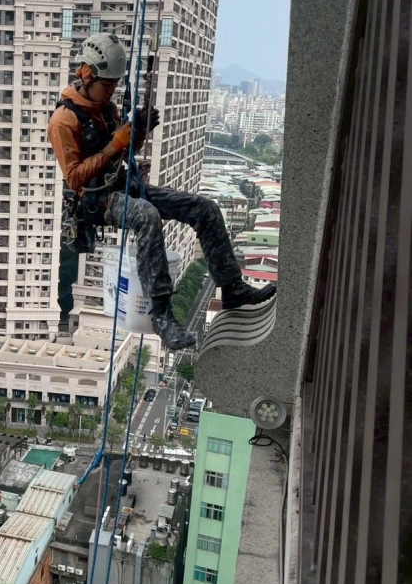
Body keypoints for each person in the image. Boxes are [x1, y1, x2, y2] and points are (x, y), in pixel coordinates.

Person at [47, 33, 276, 350]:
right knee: (147, 215)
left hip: (121, 186)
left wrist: (137, 133)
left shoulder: (106, 108)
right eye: (107, 84)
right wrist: (117, 144)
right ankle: (162, 316)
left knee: (204, 207)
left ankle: (232, 286)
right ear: (87, 74)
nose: (111, 90)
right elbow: (74, 178)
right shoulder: (64, 119)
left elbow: (123, 153)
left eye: (115, 85)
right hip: (94, 201)